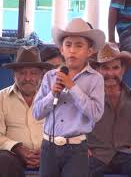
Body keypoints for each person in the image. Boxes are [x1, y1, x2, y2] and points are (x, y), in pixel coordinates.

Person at [32, 18, 105, 177]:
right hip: (48, 145)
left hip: (76, 148)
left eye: (79, 45)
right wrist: (52, 94)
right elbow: (37, 113)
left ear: (89, 51)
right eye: (68, 45)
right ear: (61, 50)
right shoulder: (50, 76)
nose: (72, 50)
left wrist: (72, 87)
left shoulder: (95, 79)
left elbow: (96, 114)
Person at [87, 42, 131, 177]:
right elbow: (72, 127)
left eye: (115, 68)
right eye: (105, 68)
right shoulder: (86, 97)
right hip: (95, 155)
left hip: (127, 154)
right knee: (77, 163)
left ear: (123, 69)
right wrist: (80, 148)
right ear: (97, 70)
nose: (110, 73)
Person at [0, 46, 53, 177]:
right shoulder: (1, 97)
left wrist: (46, 151)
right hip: (13, 156)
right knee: (1, 158)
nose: (28, 78)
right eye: (22, 73)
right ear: (14, 75)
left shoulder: (52, 97)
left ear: (41, 75)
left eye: (33, 73)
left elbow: (61, 131)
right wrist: (18, 148)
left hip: (48, 153)